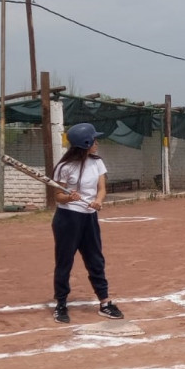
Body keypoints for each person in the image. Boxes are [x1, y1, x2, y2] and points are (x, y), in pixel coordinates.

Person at [51, 123, 123, 324]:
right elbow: (58, 196)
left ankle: (105, 302)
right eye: (93, 140)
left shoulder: (97, 162)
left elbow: (101, 189)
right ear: (85, 143)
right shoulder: (65, 167)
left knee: (95, 260)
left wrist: (98, 201)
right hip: (68, 219)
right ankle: (61, 304)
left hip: (89, 217)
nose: (97, 143)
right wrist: (69, 198)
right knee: (65, 261)